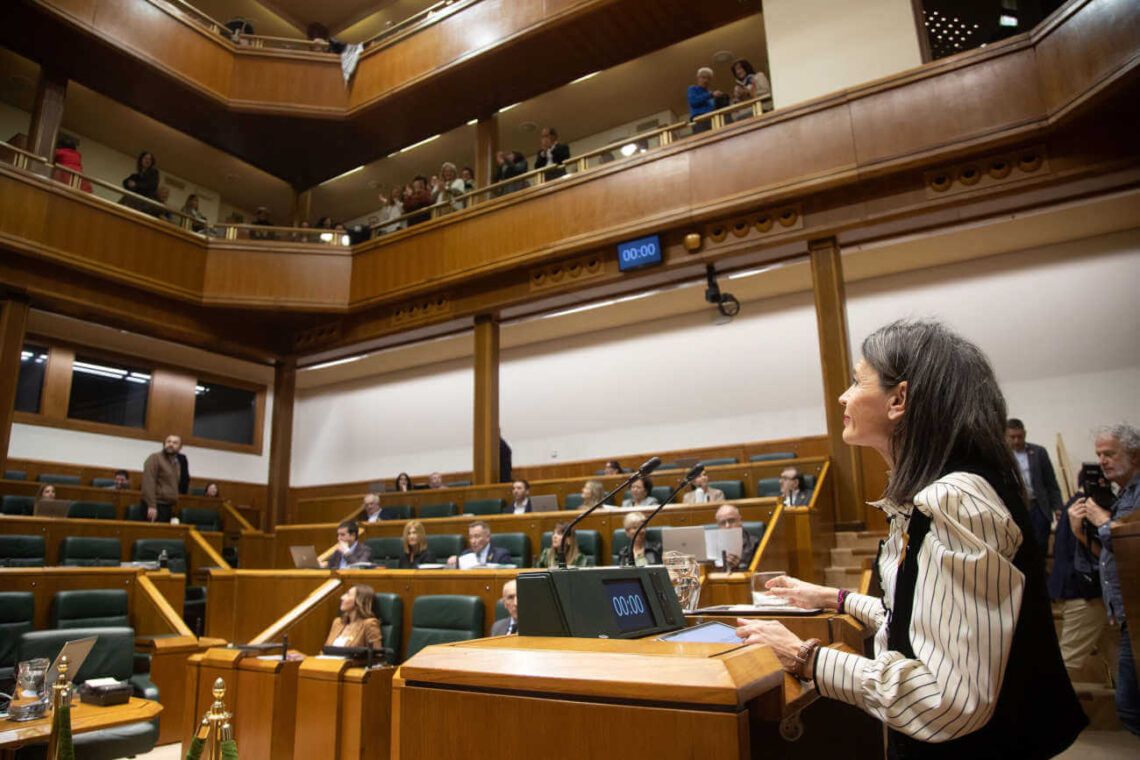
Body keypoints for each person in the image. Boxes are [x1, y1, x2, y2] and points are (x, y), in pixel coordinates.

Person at [735, 319, 1084, 758]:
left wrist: (804, 656)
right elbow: (917, 618)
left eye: (857, 381)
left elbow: (945, 700)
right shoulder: (948, 489)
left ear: (898, 399)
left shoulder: (955, 499)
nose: (843, 396)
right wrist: (833, 597)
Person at [1071, 423, 1140, 736]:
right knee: (1129, 703)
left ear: (1134, 456)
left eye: (1110, 454)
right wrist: (1078, 530)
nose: (1103, 461)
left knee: (1129, 703)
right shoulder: (1122, 494)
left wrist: (1104, 522)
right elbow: (1110, 554)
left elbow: (1131, 543)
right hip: (1126, 613)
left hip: (1136, 610)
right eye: (1099, 455)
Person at [1049, 490, 1105, 675]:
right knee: (1067, 663)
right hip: (1086, 591)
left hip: (1084, 590)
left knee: (1120, 655)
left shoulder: (1077, 504)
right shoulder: (1089, 505)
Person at [1005, 418, 1063, 553]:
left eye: (1019, 437)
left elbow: (1051, 482)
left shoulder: (1039, 452)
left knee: (1041, 545)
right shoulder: (1002, 455)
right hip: (1015, 508)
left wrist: (1058, 506)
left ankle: (1041, 573)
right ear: (1005, 436)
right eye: (1012, 437)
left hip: (1038, 507)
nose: (1016, 441)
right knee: (1020, 547)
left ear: (1025, 434)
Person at [324, 584, 382, 649]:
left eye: (348, 595)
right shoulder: (338, 622)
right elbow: (326, 650)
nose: (342, 597)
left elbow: (377, 655)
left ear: (359, 600)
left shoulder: (369, 624)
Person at [141, 434, 182, 523]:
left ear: (180, 447)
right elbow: (148, 482)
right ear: (164, 444)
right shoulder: (155, 458)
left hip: (168, 506)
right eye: (168, 442)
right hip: (155, 506)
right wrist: (151, 505)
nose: (171, 444)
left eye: (175, 443)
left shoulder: (176, 462)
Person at [714, 504, 758, 572]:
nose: (727, 526)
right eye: (722, 523)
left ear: (740, 520)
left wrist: (738, 566)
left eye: (731, 521)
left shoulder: (753, 544)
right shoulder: (712, 545)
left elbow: (754, 572)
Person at [446, 521, 511, 567]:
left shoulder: (501, 556)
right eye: (470, 537)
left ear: (487, 537)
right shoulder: (465, 555)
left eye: (477, 536)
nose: (473, 541)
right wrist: (454, 563)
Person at [688, 67, 723, 134]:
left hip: (712, 120)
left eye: (708, 78)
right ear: (698, 78)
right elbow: (693, 101)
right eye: (703, 77)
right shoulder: (693, 89)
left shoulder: (710, 94)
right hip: (699, 120)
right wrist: (710, 95)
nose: (706, 80)